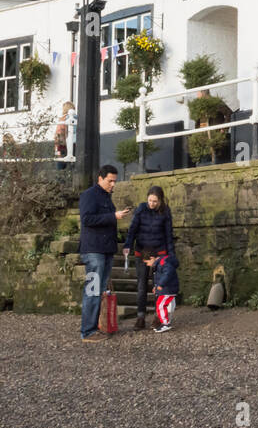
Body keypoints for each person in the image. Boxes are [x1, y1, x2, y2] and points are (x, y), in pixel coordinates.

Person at [78, 164, 130, 342]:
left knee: (98, 290)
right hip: (93, 250)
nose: (113, 184)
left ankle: (95, 327)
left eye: (115, 181)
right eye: (110, 181)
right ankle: (87, 331)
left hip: (105, 250)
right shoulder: (89, 195)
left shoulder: (107, 197)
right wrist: (113, 216)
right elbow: (86, 219)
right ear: (100, 178)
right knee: (92, 290)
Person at [123, 185, 175, 331]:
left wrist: (171, 256)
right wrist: (127, 244)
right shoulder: (141, 209)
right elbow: (133, 229)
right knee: (141, 285)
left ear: (160, 201)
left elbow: (168, 235)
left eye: (154, 201)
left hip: (159, 252)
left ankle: (158, 317)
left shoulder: (165, 212)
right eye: (149, 201)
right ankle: (140, 317)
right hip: (143, 251)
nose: (151, 204)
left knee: (159, 285)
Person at [148, 249, 180, 334]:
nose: (148, 265)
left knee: (161, 305)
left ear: (151, 258)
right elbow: (159, 277)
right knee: (162, 305)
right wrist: (156, 286)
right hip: (167, 289)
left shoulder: (162, 263)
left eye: (147, 262)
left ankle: (165, 324)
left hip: (168, 289)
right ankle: (165, 322)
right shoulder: (159, 264)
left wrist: (160, 284)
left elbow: (168, 273)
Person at [54, 101, 75, 171]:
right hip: (68, 143)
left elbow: (57, 134)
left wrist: (56, 149)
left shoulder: (62, 119)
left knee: (60, 161)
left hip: (59, 143)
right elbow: (65, 132)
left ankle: (60, 177)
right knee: (71, 163)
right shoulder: (71, 118)